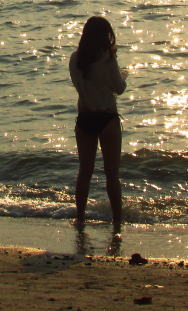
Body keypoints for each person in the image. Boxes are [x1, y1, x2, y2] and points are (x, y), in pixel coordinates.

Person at [69, 16, 128, 229]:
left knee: (85, 171)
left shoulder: (75, 59)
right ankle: (117, 220)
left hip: (84, 117)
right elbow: (118, 89)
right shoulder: (108, 60)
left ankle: (81, 217)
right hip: (106, 118)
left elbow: (83, 84)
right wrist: (124, 75)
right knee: (112, 174)